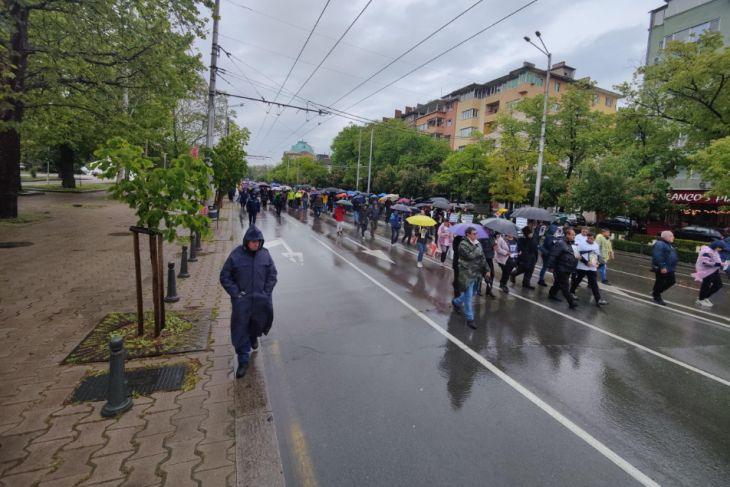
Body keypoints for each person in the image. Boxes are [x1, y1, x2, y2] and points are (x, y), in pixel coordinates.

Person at [219, 226, 278, 378]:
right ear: (247, 241)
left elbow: (272, 275)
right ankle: (243, 360)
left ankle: (254, 337)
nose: (256, 244)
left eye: (258, 241)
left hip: (260, 300)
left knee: (258, 323)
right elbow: (225, 276)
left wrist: (266, 292)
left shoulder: (265, 255)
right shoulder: (236, 255)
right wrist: (236, 293)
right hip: (242, 302)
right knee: (240, 328)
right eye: (253, 241)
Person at [451, 227, 487, 330]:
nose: (476, 235)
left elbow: (482, 258)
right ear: (468, 234)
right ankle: (470, 319)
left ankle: (456, 302)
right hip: (466, 274)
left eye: (476, 234)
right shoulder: (463, 244)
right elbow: (470, 256)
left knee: (474, 293)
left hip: (476, 273)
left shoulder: (477, 243)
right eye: (474, 234)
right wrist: (478, 248)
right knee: (468, 297)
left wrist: (487, 270)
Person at [570, 232, 608, 306]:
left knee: (594, 283)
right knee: (578, 280)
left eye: (591, 238)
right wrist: (586, 262)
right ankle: (571, 292)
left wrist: (596, 263)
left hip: (591, 268)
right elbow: (577, 254)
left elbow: (596, 255)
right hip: (582, 267)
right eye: (588, 238)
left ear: (594, 239)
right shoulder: (582, 244)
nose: (590, 240)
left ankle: (598, 299)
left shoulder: (596, 245)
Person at [547, 228, 579, 309]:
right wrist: (551, 266)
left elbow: (575, 255)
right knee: (565, 286)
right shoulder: (561, 243)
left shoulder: (572, 243)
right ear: (567, 235)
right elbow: (553, 255)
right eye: (573, 235)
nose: (574, 236)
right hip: (561, 268)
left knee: (558, 283)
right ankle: (571, 302)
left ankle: (551, 294)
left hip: (569, 268)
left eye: (574, 235)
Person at [651, 230, 678, 305]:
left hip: (669, 268)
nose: (673, 237)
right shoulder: (660, 243)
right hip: (662, 267)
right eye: (671, 236)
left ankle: (656, 292)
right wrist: (662, 266)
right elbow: (657, 255)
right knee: (660, 282)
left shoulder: (669, 244)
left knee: (672, 281)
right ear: (665, 237)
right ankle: (656, 297)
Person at [537, 220, 561, 286]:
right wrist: (555, 242)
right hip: (548, 254)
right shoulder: (551, 236)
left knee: (546, 267)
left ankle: (541, 279)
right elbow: (549, 245)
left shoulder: (550, 235)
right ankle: (542, 280)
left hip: (548, 254)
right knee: (549, 267)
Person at [478, 228, 496, 297]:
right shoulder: (482, 234)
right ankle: (478, 289)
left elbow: (493, 245)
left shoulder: (492, 234)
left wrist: (494, 245)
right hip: (483, 257)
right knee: (481, 274)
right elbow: (479, 246)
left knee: (492, 274)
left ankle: (489, 290)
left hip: (490, 258)